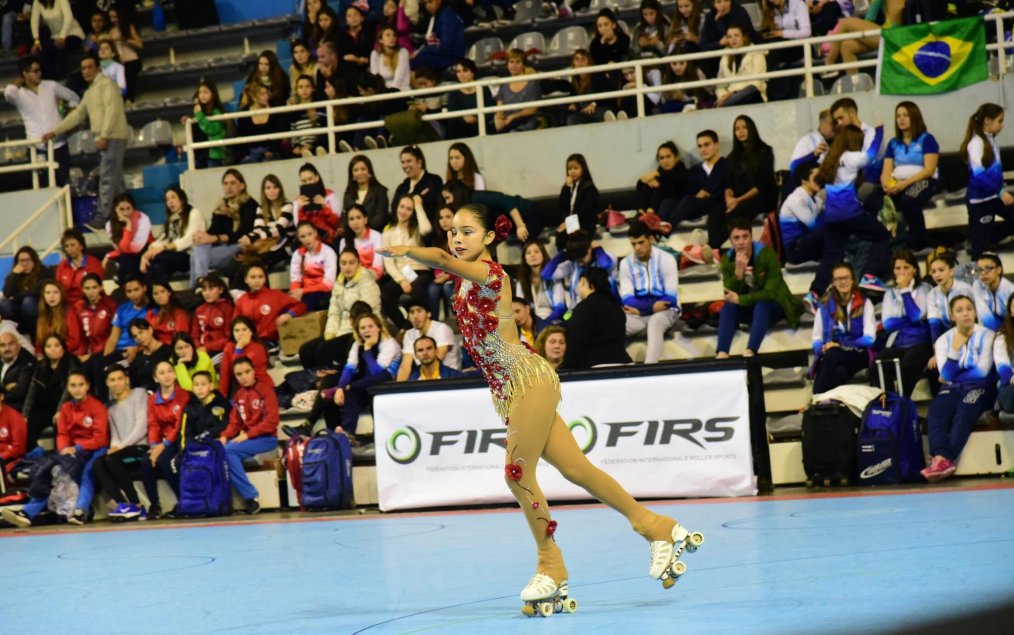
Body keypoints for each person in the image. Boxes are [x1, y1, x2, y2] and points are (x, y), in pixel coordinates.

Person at [378, 205, 696, 607]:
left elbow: (439, 259)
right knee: (576, 468)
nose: (457, 239)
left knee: (516, 474)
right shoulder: (462, 279)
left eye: (467, 232)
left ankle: (551, 565)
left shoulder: (492, 275)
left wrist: (405, 250)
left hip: (527, 380)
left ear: (491, 237)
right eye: (453, 232)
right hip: (511, 389)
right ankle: (657, 527)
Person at [1, 370, 107, 528]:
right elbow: (62, 434)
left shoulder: (98, 407)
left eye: (81, 385)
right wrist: (65, 449)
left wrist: (76, 448)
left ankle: (80, 511)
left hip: (95, 449)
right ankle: (27, 513)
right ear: (68, 389)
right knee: (49, 471)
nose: (77, 389)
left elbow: (100, 438)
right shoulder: (65, 408)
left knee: (87, 472)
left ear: (88, 386)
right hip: (72, 451)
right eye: (73, 385)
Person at [43, 53, 127, 231]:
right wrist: (55, 131)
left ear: (98, 68)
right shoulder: (90, 92)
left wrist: (104, 135)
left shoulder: (108, 85)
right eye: (83, 68)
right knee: (116, 179)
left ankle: (102, 217)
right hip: (105, 136)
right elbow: (78, 114)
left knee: (107, 177)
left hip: (112, 135)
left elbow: (112, 111)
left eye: (90, 67)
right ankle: (127, 214)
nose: (86, 71)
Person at [924, 295, 996, 482]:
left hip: (981, 388)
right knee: (936, 411)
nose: (966, 314)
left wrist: (951, 371)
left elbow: (982, 371)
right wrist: (954, 350)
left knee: (964, 410)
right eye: (960, 310)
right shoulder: (943, 341)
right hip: (951, 388)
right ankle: (939, 457)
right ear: (951, 315)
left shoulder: (987, 335)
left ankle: (946, 458)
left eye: (969, 309)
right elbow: (945, 376)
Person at [816, 124, 890, 293]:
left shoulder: (828, 158)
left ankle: (814, 293)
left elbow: (814, 160)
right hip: (850, 213)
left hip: (831, 217)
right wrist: (879, 131)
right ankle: (870, 275)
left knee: (831, 254)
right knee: (881, 236)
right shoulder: (852, 157)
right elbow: (872, 153)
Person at [717, 217, 802, 358]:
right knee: (728, 307)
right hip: (751, 308)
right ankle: (722, 353)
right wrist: (738, 273)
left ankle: (751, 351)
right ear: (731, 242)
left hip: (776, 306)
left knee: (762, 304)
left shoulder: (767, 254)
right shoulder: (727, 260)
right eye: (736, 238)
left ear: (752, 237)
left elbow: (770, 293)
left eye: (745, 237)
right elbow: (729, 293)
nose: (741, 242)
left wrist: (741, 299)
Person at [91, 366, 159, 521]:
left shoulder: (139, 394)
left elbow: (141, 427)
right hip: (123, 450)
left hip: (140, 447)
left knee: (112, 459)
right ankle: (124, 504)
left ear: (127, 380)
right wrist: (114, 447)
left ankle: (136, 504)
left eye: (120, 379)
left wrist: (120, 447)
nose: (117, 383)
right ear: (107, 383)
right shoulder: (110, 407)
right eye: (112, 380)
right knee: (97, 464)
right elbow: (115, 433)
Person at [299, 249, 382, 372]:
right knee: (305, 350)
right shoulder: (339, 282)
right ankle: (313, 382)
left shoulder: (367, 283)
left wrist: (350, 334)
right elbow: (334, 312)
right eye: (343, 263)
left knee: (324, 349)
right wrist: (330, 334)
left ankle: (328, 383)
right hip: (340, 331)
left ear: (359, 264)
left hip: (358, 333)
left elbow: (366, 315)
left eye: (351, 263)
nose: (347, 267)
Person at [3, 55, 79, 186]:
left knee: (63, 183)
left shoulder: (51, 85)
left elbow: (74, 98)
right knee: (42, 184)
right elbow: (8, 93)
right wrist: (19, 81)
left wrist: (68, 119)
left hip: (59, 144)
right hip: (36, 147)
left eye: (39, 70)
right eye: (35, 71)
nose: (40, 73)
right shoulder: (19, 94)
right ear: (25, 74)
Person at [320, 312, 400, 436]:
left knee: (378, 380)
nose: (367, 330)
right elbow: (349, 368)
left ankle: (380, 435)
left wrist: (367, 348)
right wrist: (341, 388)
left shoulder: (389, 343)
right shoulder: (357, 344)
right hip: (367, 384)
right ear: (358, 331)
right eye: (362, 328)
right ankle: (347, 434)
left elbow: (376, 373)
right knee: (350, 395)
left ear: (379, 327)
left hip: (386, 384)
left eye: (370, 326)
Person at [220, 356, 280, 515]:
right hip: (249, 439)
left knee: (229, 451)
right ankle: (223, 501)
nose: (244, 377)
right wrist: (224, 436)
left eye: (247, 372)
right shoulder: (238, 395)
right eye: (239, 374)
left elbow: (272, 422)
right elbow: (234, 423)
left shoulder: (266, 391)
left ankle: (251, 497)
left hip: (267, 439)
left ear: (254, 371)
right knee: (222, 448)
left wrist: (248, 435)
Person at [872, 251, 933, 396]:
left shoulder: (924, 289)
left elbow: (916, 315)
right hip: (897, 344)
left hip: (920, 343)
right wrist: (913, 321)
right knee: (877, 363)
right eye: (898, 268)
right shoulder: (889, 293)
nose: (902, 272)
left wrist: (905, 291)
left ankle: (903, 402)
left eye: (906, 268)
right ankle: (890, 401)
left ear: (914, 269)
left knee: (907, 364)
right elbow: (888, 325)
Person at [620, 221, 680, 364]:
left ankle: (650, 367)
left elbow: (670, 298)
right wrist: (650, 308)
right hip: (639, 314)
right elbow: (627, 299)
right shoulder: (625, 264)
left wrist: (643, 309)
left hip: (667, 311)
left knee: (655, 321)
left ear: (651, 239)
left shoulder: (667, 259)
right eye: (633, 244)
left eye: (641, 242)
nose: (637, 248)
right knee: (616, 324)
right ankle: (619, 364)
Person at [811, 262, 876, 394]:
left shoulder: (864, 303)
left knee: (832, 354)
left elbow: (869, 339)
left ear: (852, 280)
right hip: (832, 356)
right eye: (838, 279)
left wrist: (839, 345)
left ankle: (815, 398)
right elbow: (817, 339)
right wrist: (822, 348)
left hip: (858, 353)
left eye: (846, 277)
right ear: (833, 282)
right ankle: (828, 407)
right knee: (840, 373)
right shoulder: (824, 305)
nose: (843, 282)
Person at [881, 102, 939, 250]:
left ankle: (919, 242)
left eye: (905, 115)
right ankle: (889, 244)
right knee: (873, 201)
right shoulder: (893, 143)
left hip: (925, 180)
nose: (901, 119)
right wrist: (886, 185)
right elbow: (887, 170)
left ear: (914, 117)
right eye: (898, 116)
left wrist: (904, 184)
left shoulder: (927, 139)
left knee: (908, 201)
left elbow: (929, 170)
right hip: (899, 184)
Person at [961, 103, 1014, 258]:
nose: (1002, 125)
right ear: (987, 121)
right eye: (1000, 121)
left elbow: (995, 171)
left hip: (994, 197)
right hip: (980, 202)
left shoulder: (990, 140)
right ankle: (980, 242)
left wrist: (1001, 188)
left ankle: (990, 238)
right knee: (980, 253)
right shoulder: (976, 144)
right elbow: (979, 175)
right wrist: (1000, 191)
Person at [191, 169, 260, 284]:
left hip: (241, 247)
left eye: (233, 183)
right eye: (225, 183)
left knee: (195, 257)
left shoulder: (250, 204)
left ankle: (198, 287)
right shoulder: (221, 205)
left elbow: (244, 233)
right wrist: (202, 236)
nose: (228, 187)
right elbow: (214, 231)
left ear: (242, 186)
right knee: (199, 248)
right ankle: (200, 281)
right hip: (224, 247)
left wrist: (216, 238)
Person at [780, 162, 828, 311]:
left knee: (835, 249)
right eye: (816, 176)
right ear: (804, 180)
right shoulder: (796, 199)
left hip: (808, 243)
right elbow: (815, 226)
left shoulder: (813, 197)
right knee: (832, 230)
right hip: (796, 248)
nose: (821, 179)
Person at [664, 130, 727, 246]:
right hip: (697, 205)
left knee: (689, 201)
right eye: (700, 146)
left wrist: (706, 193)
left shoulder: (726, 165)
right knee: (668, 203)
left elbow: (727, 189)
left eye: (707, 145)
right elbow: (690, 191)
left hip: (716, 205)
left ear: (717, 145)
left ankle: (665, 230)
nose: (703, 149)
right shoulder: (695, 171)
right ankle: (655, 231)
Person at [561, 267, 632, 369]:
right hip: (625, 365)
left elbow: (575, 343)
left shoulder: (585, 307)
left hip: (598, 367)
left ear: (583, 281)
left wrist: (565, 370)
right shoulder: (616, 308)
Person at [146, 361, 195, 509]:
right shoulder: (152, 399)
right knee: (146, 463)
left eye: (169, 371)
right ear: (155, 378)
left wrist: (164, 445)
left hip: (179, 439)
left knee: (164, 461)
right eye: (162, 373)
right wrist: (154, 445)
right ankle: (154, 506)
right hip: (161, 443)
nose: (166, 376)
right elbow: (153, 424)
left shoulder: (184, 396)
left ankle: (184, 500)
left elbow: (179, 425)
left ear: (174, 374)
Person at [381, 194, 434, 330]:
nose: (403, 211)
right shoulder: (388, 232)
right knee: (386, 294)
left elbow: (427, 229)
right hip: (402, 274)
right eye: (402, 207)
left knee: (417, 288)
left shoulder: (416, 229)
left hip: (420, 270)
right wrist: (401, 280)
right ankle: (407, 327)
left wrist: (418, 205)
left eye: (408, 209)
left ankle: (425, 325)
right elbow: (388, 262)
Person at [542, 231, 615, 323]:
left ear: (589, 249)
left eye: (582, 257)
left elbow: (606, 265)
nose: (580, 261)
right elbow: (546, 274)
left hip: (600, 312)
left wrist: (597, 248)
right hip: (575, 312)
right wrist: (565, 254)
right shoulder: (573, 264)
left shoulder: (605, 258)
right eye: (577, 257)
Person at [142, 186, 206, 287]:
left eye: (173, 197)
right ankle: (162, 297)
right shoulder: (171, 219)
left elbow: (189, 239)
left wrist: (159, 250)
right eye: (167, 199)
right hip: (173, 257)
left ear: (182, 199)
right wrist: (147, 253)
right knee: (157, 267)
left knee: (157, 257)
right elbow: (163, 239)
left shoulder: (194, 213)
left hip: (190, 256)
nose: (170, 202)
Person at [22, 333, 76, 449]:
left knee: (59, 422)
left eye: (56, 345)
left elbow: (69, 388)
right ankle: (33, 457)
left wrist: (60, 410)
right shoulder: (41, 367)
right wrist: (25, 415)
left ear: (63, 347)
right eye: (48, 346)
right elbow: (31, 392)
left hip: (65, 408)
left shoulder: (71, 362)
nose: (53, 349)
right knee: (28, 425)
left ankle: (60, 456)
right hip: (44, 408)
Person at [724, 115, 776, 232]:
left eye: (744, 127)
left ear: (751, 129)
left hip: (761, 197)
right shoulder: (732, 157)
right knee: (717, 211)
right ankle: (713, 247)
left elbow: (762, 185)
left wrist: (738, 200)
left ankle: (717, 245)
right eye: (737, 129)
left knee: (737, 212)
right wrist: (729, 199)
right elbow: (729, 184)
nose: (740, 131)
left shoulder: (765, 151)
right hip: (739, 198)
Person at [823, 0, 905, 75]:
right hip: (888, 35)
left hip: (892, 36)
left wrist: (855, 28)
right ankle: (855, 85)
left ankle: (829, 65)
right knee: (847, 46)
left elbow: (870, 18)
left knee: (845, 23)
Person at [234, 262, 307, 346]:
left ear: (265, 279)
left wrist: (288, 315)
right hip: (247, 342)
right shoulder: (241, 300)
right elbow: (235, 323)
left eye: (260, 277)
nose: (257, 280)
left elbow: (301, 306)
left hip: (270, 341)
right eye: (253, 277)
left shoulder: (275, 295)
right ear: (246, 280)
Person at [396, 298, 460, 381]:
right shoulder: (409, 334)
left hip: (450, 378)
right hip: (424, 377)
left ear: (428, 314)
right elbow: (405, 365)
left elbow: (437, 359)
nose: (415, 316)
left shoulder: (442, 329)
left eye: (419, 311)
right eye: (411, 312)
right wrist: (399, 388)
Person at [240, 174, 295, 271]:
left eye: (275, 187)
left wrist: (254, 237)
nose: (272, 191)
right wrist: (248, 237)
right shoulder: (261, 208)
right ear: (264, 191)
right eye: (268, 188)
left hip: (287, 242)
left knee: (260, 260)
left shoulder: (288, 206)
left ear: (280, 189)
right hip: (270, 242)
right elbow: (258, 229)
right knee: (242, 259)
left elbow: (278, 229)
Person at [102, 192, 152, 284]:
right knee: (126, 258)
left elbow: (135, 249)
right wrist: (109, 255)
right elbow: (121, 249)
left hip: (145, 254)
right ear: (115, 210)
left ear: (133, 208)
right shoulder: (110, 225)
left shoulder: (143, 219)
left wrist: (128, 225)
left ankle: (122, 279)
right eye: (121, 209)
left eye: (128, 208)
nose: (125, 213)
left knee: (127, 259)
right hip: (125, 256)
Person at [290, 221, 338, 312]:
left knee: (306, 304)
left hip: (322, 290)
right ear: (299, 238)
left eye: (309, 234)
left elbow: (329, 284)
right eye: (303, 236)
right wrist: (295, 294)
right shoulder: (297, 254)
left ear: (315, 233)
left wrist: (304, 291)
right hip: (303, 291)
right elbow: (295, 280)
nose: (307, 239)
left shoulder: (328, 252)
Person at [392, 146, 443, 229]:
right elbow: (395, 209)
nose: (405, 165)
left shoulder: (434, 181)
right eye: (403, 162)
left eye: (409, 161)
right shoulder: (402, 187)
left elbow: (432, 208)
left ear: (419, 162)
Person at [30, 0, 84, 79]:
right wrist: (36, 41)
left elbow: (69, 17)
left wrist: (62, 36)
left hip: (73, 33)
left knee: (59, 46)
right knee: (41, 48)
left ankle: (60, 78)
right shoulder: (37, 2)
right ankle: (48, 79)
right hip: (55, 36)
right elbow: (34, 21)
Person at [219, 316, 271, 397]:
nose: (240, 333)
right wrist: (222, 397)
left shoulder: (258, 347)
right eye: (236, 330)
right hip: (241, 389)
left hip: (261, 388)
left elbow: (240, 369)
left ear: (251, 331)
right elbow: (224, 374)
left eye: (244, 329)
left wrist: (239, 348)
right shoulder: (229, 347)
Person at [927, 252, 973, 343]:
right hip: (945, 336)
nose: (937, 275)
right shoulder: (932, 294)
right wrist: (935, 345)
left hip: (967, 332)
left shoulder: (965, 289)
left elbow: (973, 318)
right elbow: (934, 324)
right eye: (933, 271)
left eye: (941, 270)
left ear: (951, 271)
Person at [715, 25, 766, 107]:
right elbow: (720, 85)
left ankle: (725, 104)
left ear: (744, 37)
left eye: (736, 35)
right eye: (729, 37)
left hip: (753, 96)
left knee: (751, 89)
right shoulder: (725, 57)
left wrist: (733, 94)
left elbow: (756, 83)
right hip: (730, 98)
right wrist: (723, 96)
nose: (733, 39)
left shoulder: (757, 54)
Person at [0, 246, 46, 336]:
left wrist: (17, 297)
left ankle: (34, 335)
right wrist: (14, 274)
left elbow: (36, 291)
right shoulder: (16, 275)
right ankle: (15, 334)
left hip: (37, 309)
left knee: (28, 301)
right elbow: (7, 293)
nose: (24, 264)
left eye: (27, 260)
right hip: (20, 313)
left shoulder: (43, 272)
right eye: (21, 261)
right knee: (4, 304)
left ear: (34, 260)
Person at [556, 154, 600, 248]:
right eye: (570, 168)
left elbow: (585, 212)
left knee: (564, 236)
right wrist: (566, 188)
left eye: (576, 168)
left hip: (585, 223)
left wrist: (568, 224)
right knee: (560, 233)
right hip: (572, 222)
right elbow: (562, 206)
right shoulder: (569, 186)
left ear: (583, 168)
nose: (572, 171)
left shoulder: (589, 187)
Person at [293, 162, 342, 245]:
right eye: (304, 181)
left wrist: (324, 207)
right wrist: (301, 210)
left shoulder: (330, 195)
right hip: (308, 242)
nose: (308, 183)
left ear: (317, 178)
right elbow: (299, 228)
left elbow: (337, 224)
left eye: (310, 179)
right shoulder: (298, 201)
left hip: (329, 239)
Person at [235, 83, 286, 163]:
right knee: (247, 162)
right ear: (254, 98)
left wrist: (272, 151)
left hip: (272, 151)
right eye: (262, 94)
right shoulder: (244, 113)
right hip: (251, 152)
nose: (266, 96)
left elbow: (279, 133)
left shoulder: (275, 109)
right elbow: (242, 135)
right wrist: (247, 153)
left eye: (266, 93)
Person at [494, 49, 541, 134]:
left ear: (523, 64)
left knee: (513, 133)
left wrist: (513, 117)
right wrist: (499, 119)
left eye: (518, 62)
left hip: (526, 121)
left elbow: (532, 110)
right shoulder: (504, 84)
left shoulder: (532, 83)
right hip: (507, 122)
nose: (514, 65)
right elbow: (499, 108)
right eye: (511, 62)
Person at [446, 58, 494, 140]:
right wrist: (463, 118)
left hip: (481, 125)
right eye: (458, 71)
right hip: (461, 128)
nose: (461, 74)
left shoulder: (483, 89)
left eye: (465, 70)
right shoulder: (453, 92)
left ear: (472, 73)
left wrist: (476, 118)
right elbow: (452, 116)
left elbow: (490, 111)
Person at [638, 141, 688, 218]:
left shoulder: (683, 172)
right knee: (646, 187)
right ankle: (642, 213)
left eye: (668, 156)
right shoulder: (658, 174)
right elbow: (639, 185)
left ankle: (648, 214)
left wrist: (658, 174)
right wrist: (647, 180)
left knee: (663, 189)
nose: (665, 161)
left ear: (676, 157)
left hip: (673, 207)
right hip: (654, 211)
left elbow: (676, 180)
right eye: (661, 158)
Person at [410, 0, 464, 71]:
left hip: (451, 56)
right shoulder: (436, 16)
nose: (428, 6)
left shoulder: (446, 15)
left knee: (415, 62)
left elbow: (446, 45)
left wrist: (423, 52)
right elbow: (429, 42)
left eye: (430, 2)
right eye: (425, 3)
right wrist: (418, 52)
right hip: (442, 54)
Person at [184, 79, 227, 169]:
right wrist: (189, 121)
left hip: (213, 156)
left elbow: (212, 130)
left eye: (205, 92)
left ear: (213, 94)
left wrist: (199, 115)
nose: (202, 95)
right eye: (200, 93)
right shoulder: (199, 113)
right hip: (199, 155)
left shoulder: (217, 112)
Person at [75, 273, 116, 365]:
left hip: (109, 351)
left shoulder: (110, 305)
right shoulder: (79, 308)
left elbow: (114, 334)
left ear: (101, 287)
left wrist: (94, 355)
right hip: (90, 353)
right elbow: (82, 337)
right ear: (82, 289)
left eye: (94, 287)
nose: (91, 291)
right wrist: (80, 354)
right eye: (87, 288)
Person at [343, 155, 390, 231]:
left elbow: (381, 217)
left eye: (363, 169)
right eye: (356, 170)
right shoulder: (348, 194)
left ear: (369, 171)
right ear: (352, 175)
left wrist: (362, 229)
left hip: (375, 234)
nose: (360, 173)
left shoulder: (380, 191)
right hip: (353, 235)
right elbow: (345, 216)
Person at [191, 275, 233, 359]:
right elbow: (194, 335)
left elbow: (230, 337)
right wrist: (197, 347)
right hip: (200, 350)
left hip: (220, 350)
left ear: (220, 290)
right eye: (204, 290)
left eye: (211, 289)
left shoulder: (228, 308)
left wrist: (207, 347)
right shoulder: (199, 310)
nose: (207, 293)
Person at [35, 280, 82, 355]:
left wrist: (57, 351)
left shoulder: (69, 312)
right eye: (48, 292)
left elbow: (74, 341)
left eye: (55, 292)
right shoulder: (42, 314)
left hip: (65, 354)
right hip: (47, 356)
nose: (51, 296)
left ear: (61, 295)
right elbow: (39, 343)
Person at [106, 5, 142, 102]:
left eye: (115, 17)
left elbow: (140, 44)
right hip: (118, 62)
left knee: (128, 75)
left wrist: (125, 39)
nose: (113, 20)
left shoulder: (128, 27)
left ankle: (130, 99)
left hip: (131, 60)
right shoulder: (111, 31)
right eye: (111, 17)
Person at [339, 204, 385, 280]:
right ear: (348, 222)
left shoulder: (376, 236)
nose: (355, 222)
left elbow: (378, 268)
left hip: (372, 279)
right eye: (351, 219)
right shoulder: (343, 242)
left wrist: (361, 278)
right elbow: (344, 269)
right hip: (351, 280)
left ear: (365, 219)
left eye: (358, 218)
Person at [589, 9, 631, 92]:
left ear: (613, 25)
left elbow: (620, 57)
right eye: (600, 26)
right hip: (604, 79)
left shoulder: (624, 39)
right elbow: (600, 63)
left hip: (622, 75)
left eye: (606, 24)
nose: (603, 28)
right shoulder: (595, 44)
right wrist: (603, 44)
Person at [971, 252, 1013, 332]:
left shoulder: (1010, 290)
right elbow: (984, 317)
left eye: (988, 269)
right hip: (989, 330)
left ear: (999, 270)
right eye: (980, 270)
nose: (983, 273)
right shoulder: (977, 286)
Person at [128, 318, 171, 394]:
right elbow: (133, 384)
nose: (139, 338)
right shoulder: (138, 358)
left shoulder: (168, 351)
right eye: (135, 336)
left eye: (141, 332)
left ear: (150, 330)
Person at [517, 241, 556, 322]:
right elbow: (520, 307)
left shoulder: (554, 277)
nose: (532, 255)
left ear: (544, 255)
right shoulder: (521, 283)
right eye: (528, 253)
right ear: (525, 259)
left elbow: (560, 307)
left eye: (537, 251)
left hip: (554, 320)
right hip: (532, 321)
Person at [0, 330, 38, 413]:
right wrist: (4, 387)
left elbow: (20, 392)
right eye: (2, 345)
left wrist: (2, 396)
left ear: (18, 345)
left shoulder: (27, 362)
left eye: (11, 344)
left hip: (16, 409)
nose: (7, 348)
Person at [145, 281, 190, 346]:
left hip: (172, 347)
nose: (159, 296)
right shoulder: (150, 313)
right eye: (155, 293)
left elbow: (180, 338)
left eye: (162, 292)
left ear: (169, 293)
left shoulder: (179, 313)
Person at [0, 387, 28, 478]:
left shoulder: (14, 417)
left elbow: (18, 448)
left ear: (1, 396)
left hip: (9, 460)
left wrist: (1, 456)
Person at [370, 25, 409, 91]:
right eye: (388, 35)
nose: (392, 38)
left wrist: (392, 91)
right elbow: (375, 75)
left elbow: (400, 75)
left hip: (401, 88)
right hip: (383, 90)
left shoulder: (403, 52)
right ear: (380, 40)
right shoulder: (375, 54)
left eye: (394, 35)